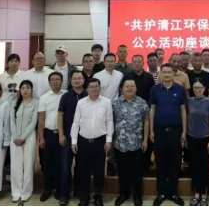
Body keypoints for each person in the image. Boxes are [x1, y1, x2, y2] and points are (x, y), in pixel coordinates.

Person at [71, 78, 114, 207]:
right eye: (91, 87)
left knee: (99, 170)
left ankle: (98, 196)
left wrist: (109, 140)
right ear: (87, 89)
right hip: (83, 141)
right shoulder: (81, 103)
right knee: (83, 171)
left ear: (100, 88)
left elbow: (110, 121)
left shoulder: (106, 102)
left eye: (96, 87)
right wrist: (74, 141)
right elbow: (76, 122)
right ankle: (84, 197)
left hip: (100, 141)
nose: (94, 89)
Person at [150, 64, 187, 207]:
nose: (166, 75)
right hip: (159, 131)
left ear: (173, 74)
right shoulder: (155, 89)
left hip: (176, 131)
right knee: (160, 163)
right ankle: (161, 193)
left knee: (174, 163)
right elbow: (152, 109)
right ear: (161, 74)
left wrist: (184, 131)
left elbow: (183, 110)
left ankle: (173, 193)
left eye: (169, 72)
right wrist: (151, 130)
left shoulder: (180, 89)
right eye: (164, 72)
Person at [112, 79, 150, 207]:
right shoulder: (115, 103)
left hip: (137, 144)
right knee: (122, 171)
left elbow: (146, 122)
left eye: (132, 86)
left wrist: (145, 140)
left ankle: (137, 195)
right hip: (120, 144)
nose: (129, 88)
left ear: (136, 88)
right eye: (127, 86)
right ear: (122, 89)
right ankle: (124, 194)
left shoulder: (142, 103)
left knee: (137, 171)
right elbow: (111, 121)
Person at [58, 70, 87, 207]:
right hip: (68, 137)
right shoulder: (65, 96)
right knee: (65, 167)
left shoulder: (88, 95)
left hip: (84, 138)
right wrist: (61, 134)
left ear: (83, 80)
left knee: (81, 167)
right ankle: (64, 194)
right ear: (71, 81)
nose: (77, 80)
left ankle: (79, 192)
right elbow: (60, 115)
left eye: (79, 78)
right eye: (74, 78)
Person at [187, 79, 209, 207]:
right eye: (195, 88)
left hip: (205, 138)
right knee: (194, 166)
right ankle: (196, 194)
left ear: (204, 88)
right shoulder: (189, 101)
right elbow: (187, 119)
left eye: (199, 87)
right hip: (192, 137)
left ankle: (204, 194)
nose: (197, 90)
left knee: (204, 167)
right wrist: (186, 136)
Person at [38, 72, 66, 202]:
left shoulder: (66, 95)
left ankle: (57, 189)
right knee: (47, 163)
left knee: (60, 163)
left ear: (62, 81)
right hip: (48, 134)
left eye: (58, 79)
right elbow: (41, 118)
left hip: (62, 134)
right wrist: (41, 137)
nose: (55, 81)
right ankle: (47, 189)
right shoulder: (44, 98)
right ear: (49, 82)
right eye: (53, 79)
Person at [10, 80, 39, 203]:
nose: (25, 90)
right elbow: (12, 121)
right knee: (15, 166)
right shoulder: (15, 103)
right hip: (15, 138)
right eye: (23, 88)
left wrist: (23, 138)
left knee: (28, 165)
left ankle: (26, 192)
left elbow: (33, 122)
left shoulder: (36, 103)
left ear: (31, 89)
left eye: (28, 88)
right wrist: (16, 136)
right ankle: (16, 192)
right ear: (20, 90)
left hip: (29, 137)